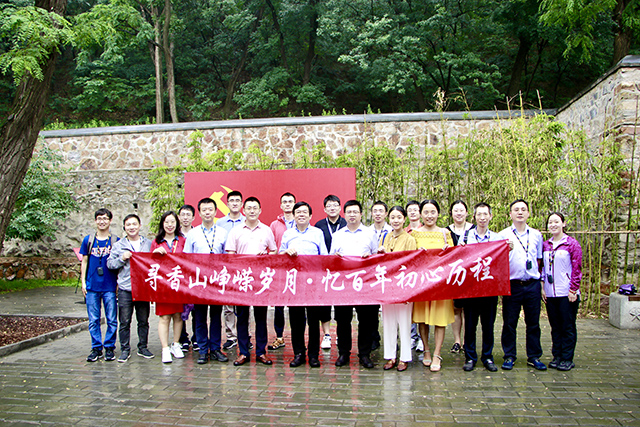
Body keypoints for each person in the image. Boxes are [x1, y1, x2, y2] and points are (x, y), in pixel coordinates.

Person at [226, 196, 277, 366]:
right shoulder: (236, 231)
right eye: (249, 208)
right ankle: (243, 352)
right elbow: (230, 255)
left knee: (261, 318)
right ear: (244, 210)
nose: (252, 211)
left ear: (260, 210)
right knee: (241, 318)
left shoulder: (266, 230)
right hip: (242, 280)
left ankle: (261, 352)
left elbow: (274, 252)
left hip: (260, 281)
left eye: (255, 208)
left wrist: (267, 255)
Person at [330, 200, 379, 369]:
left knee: (365, 320)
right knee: (343, 320)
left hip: (364, 284)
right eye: (349, 212)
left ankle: (364, 354)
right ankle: (344, 353)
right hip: (343, 284)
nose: (352, 215)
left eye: (355, 212)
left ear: (361, 214)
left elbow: (376, 258)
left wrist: (369, 258)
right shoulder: (337, 235)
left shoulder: (370, 233)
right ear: (344, 214)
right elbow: (330, 258)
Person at [499, 199, 546, 371]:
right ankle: (509, 355)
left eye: (523, 209)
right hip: (512, 284)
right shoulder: (503, 235)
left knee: (533, 322)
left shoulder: (536, 235)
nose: (520, 212)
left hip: (532, 283)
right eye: (516, 209)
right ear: (510, 214)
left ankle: (534, 356)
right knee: (509, 322)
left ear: (528, 213)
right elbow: (498, 261)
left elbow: (539, 260)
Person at [280, 201, 328, 368]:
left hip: (313, 284)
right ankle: (298, 354)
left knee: (313, 321)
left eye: (304, 212)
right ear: (293, 215)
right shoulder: (287, 234)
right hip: (294, 283)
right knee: (296, 321)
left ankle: (313, 355)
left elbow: (324, 257)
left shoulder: (317, 233)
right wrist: (286, 252)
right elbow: (279, 257)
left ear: (310, 215)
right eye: (298, 212)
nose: (301, 215)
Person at [183, 198, 229, 365]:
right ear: (200, 213)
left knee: (216, 317)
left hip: (216, 282)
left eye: (210, 209)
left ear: (215, 212)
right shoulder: (193, 234)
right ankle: (203, 350)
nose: (207, 212)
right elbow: (186, 258)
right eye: (204, 210)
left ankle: (215, 348)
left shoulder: (223, 232)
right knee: (200, 317)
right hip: (199, 282)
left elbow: (227, 258)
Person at [411, 199, 454, 372]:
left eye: (433, 212)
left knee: (439, 319)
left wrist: (448, 251)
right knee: (422, 319)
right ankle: (426, 350)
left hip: (440, 284)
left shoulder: (445, 233)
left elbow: (454, 258)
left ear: (438, 214)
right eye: (426, 212)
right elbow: (409, 259)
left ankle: (437, 354)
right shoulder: (414, 234)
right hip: (422, 283)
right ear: (420, 214)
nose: (429, 216)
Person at [459, 203, 501, 372]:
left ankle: (487, 356)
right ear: (474, 217)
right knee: (470, 325)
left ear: (490, 216)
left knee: (488, 324)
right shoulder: (466, 237)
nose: (482, 218)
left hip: (490, 288)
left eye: (485, 214)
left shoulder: (497, 238)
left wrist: (508, 249)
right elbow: (459, 259)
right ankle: (470, 357)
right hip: (471, 289)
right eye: (479, 215)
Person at [107, 214, 153, 362]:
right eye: (128, 225)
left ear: (140, 226)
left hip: (143, 289)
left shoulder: (148, 244)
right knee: (125, 321)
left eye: (134, 224)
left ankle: (143, 347)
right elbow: (110, 264)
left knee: (143, 320)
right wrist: (122, 258)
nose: (131, 227)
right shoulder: (119, 245)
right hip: (125, 288)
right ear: (124, 227)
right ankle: (125, 349)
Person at [378, 206, 416, 372]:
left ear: (404, 219)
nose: (395, 221)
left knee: (404, 323)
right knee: (388, 322)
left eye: (399, 217)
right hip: (387, 285)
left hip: (403, 285)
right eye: (393, 217)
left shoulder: (409, 239)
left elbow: (412, 263)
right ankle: (390, 356)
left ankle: (404, 357)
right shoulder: (385, 237)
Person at [542, 212, 582, 371]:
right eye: (550, 222)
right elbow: (542, 268)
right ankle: (557, 355)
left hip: (566, 293)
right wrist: (542, 287)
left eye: (556, 222)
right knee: (555, 326)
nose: (553, 225)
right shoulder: (546, 245)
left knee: (567, 325)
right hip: (550, 293)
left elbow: (577, 268)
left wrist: (573, 289)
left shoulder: (571, 244)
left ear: (563, 224)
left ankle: (567, 358)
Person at [80, 208, 119, 362]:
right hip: (92, 286)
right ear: (95, 221)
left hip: (110, 286)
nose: (102, 221)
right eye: (99, 218)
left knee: (112, 319)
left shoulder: (115, 240)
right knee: (93, 319)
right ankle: (96, 348)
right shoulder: (88, 240)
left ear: (110, 221)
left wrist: (118, 283)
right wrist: (83, 282)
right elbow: (84, 261)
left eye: (105, 218)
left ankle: (109, 347)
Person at [151, 211, 186, 364]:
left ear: (177, 224)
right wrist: (154, 253)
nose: (170, 225)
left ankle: (176, 344)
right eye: (167, 222)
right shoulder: (156, 242)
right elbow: (149, 263)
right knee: (164, 317)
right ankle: (165, 348)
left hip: (179, 284)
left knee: (178, 316)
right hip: (163, 286)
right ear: (162, 224)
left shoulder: (183, 240)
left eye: (172, 222)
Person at [314, 194, 347, 350]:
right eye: (329, 206)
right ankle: (327, 335)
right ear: (324, 209)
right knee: (324, 304)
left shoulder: (346, 224)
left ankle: (340, 334)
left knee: (341, 304)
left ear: (340, 208)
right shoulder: (319, 225)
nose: (332, 208)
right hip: (324, 271)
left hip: (343, 270)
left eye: (335, 205)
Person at [215, 191, 245, 351]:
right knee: (228, 306)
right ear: (227, 204)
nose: (234, 203)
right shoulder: (219, 223)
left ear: (242, 204)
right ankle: (231, 336)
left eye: (237, 200)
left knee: (244, 305)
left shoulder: (247, 221)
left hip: (243, 269)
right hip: (225, 268)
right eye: (231, 200)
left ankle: (245, 336)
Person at [446, 200, 475, 354]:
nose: (459, 213)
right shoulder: (446, 231)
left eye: (461, 210)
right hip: (454, 274)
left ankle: (466, 340)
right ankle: (457, 340)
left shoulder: (474, 229)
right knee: (456, 308)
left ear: (467, 213)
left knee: (468, 309)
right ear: (451, 213)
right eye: (455, 210)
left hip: (470, 274)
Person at [268, 192, 297, 351]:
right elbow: (272, 246)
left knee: (297, 305)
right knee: (278, 305)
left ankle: (298, 337)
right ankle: (279, 337)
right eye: (284, 202)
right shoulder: (274, 225)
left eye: (290, 201)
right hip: (279, 268)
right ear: (280, 205)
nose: (287, 204)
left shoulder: (301, 221)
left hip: (298, 269)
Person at [177, 204, 198, 352]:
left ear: (193, 217)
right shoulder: (174, 235)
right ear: (179, 217)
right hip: (179, 277)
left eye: (188, 215)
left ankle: (197, 338)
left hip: (195, 277)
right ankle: (182, 338)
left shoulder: (197, 233)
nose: (185, 218)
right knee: (180, 309)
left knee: (197, 309)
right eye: (183, 215)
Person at [405, 200, 423, 352]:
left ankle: (423, 338)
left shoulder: (427, 230)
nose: (412, 212)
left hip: (423, 273)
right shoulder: (403, 231)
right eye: (409, 210)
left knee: (422, 305)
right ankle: (412, 336)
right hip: (408, 274)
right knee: (410, 306)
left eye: (415, 210)